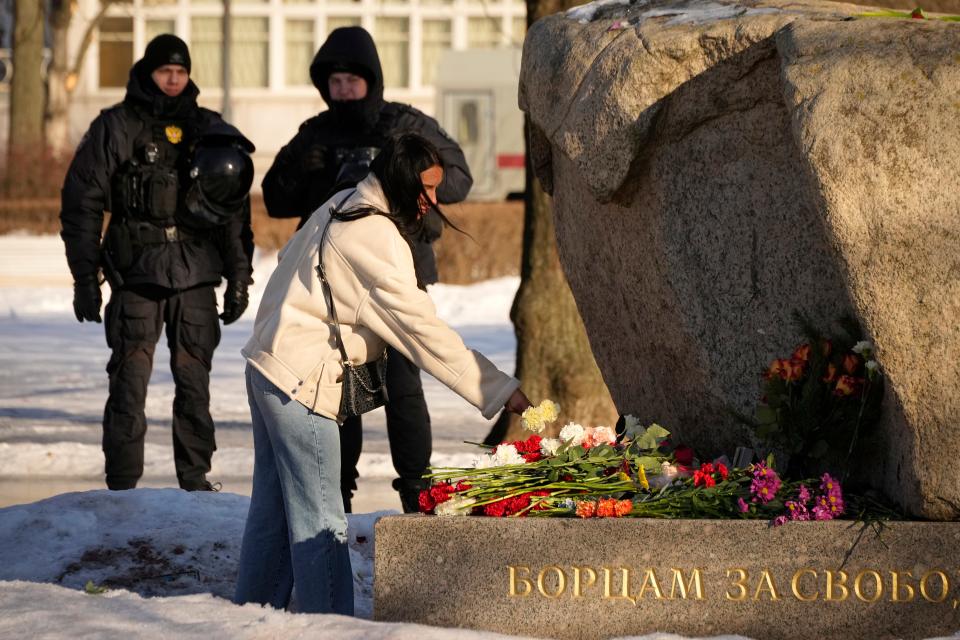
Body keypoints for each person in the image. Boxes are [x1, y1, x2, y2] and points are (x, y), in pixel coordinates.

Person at [234, 132, 530, 614]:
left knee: (272, 515)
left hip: (269, 369)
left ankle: (248, 618)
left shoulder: (344, 200)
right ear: (399, 179)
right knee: (321, 522)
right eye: (427, 189)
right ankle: (331, 627)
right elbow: (424, 333)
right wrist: (499, 388)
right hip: (300, 385)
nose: (434, 201)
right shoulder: (374, 237)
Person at [261, 26, 474, 513]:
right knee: (338, 388)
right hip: (331, 287)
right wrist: (305, 171)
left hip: (398, 271)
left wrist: (400, 169)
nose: (342, 91)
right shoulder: (315, 132)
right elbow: (274, 198)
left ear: (371, 80)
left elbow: (458, 179)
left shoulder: (404, 124)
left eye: (351, 82)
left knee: (403, 386)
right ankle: (339, 492)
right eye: (334, 82)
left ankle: (418, 492)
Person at [60, 34, 255, 492]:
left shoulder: (209, 128)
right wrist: (84, 277)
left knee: (194, 382)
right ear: (148, 72)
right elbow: (81, 201)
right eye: (165, 70)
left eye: (181, 71)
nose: (173, 78)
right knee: (129, 378)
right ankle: (122, 486)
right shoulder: (116, 126)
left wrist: (240, 277)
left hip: (195, 273)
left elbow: (233, 210)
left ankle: (195, 480)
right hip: (137, 274)